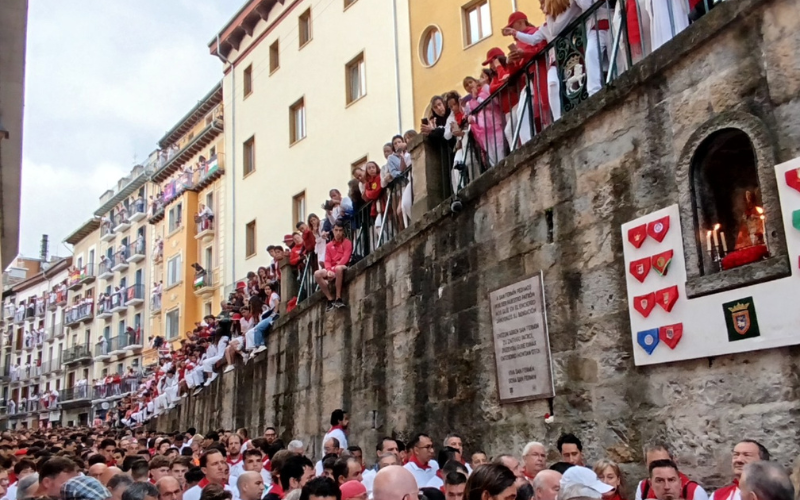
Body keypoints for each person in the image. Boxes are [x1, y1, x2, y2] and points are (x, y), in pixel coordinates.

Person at [635, 442, 707, 500]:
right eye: (653, 465)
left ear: (674, 461)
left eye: (664, 462)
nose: (659, 468)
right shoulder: (643, 487)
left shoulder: (694, 491)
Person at [313, 223, 352, 312]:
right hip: (332, 267)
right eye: (336, 230)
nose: (338, 233)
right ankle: (330, 299)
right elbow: (327, 260)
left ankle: (338, 298)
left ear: (343, 232)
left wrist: (333, 269)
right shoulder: (329, 245)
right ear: (333, 231)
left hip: (342, 266)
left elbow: (346, 258)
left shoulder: (347, 242)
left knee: (338, 268)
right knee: (317, 274)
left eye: (340, 230)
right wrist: (329, 270)